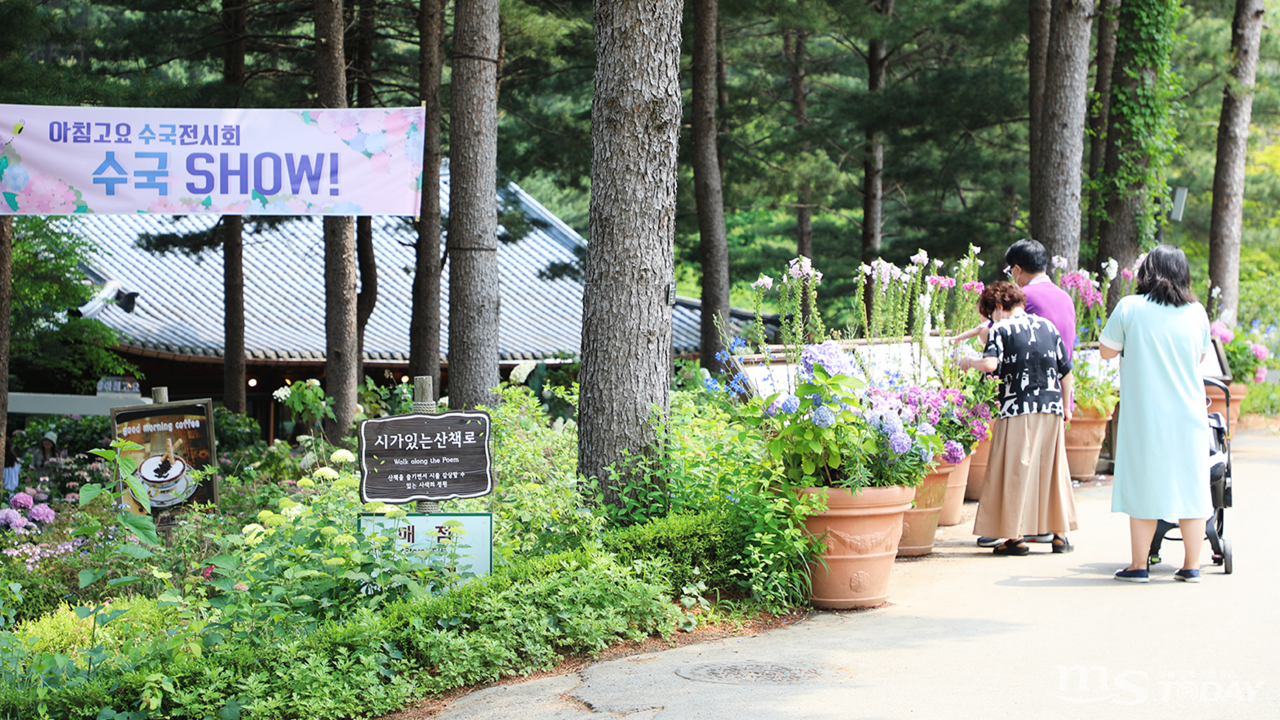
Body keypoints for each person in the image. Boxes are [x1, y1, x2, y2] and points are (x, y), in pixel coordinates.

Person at [1099, 245, 1210, 583]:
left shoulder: (1130, 307)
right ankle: (1191, 566)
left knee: (1143, 485)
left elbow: (1106, 351)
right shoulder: (1197, 312)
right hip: (1190, 415)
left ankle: (1139, 565)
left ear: (1148, 271)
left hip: (1146, 417)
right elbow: (1200, 358)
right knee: (1192, 488)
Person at [959, 281, 1077, 555]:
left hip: (1018, 406)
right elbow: (1066, 370)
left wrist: (967, 362)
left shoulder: (1001, 329)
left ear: (998, 308)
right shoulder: (1048, 326)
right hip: (1052, 406)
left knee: (1015, 469)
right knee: (1052, 469)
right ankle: (1060, 537)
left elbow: (990, 364)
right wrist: (1067, 406)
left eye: (990, 315)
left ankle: (1016, 538)